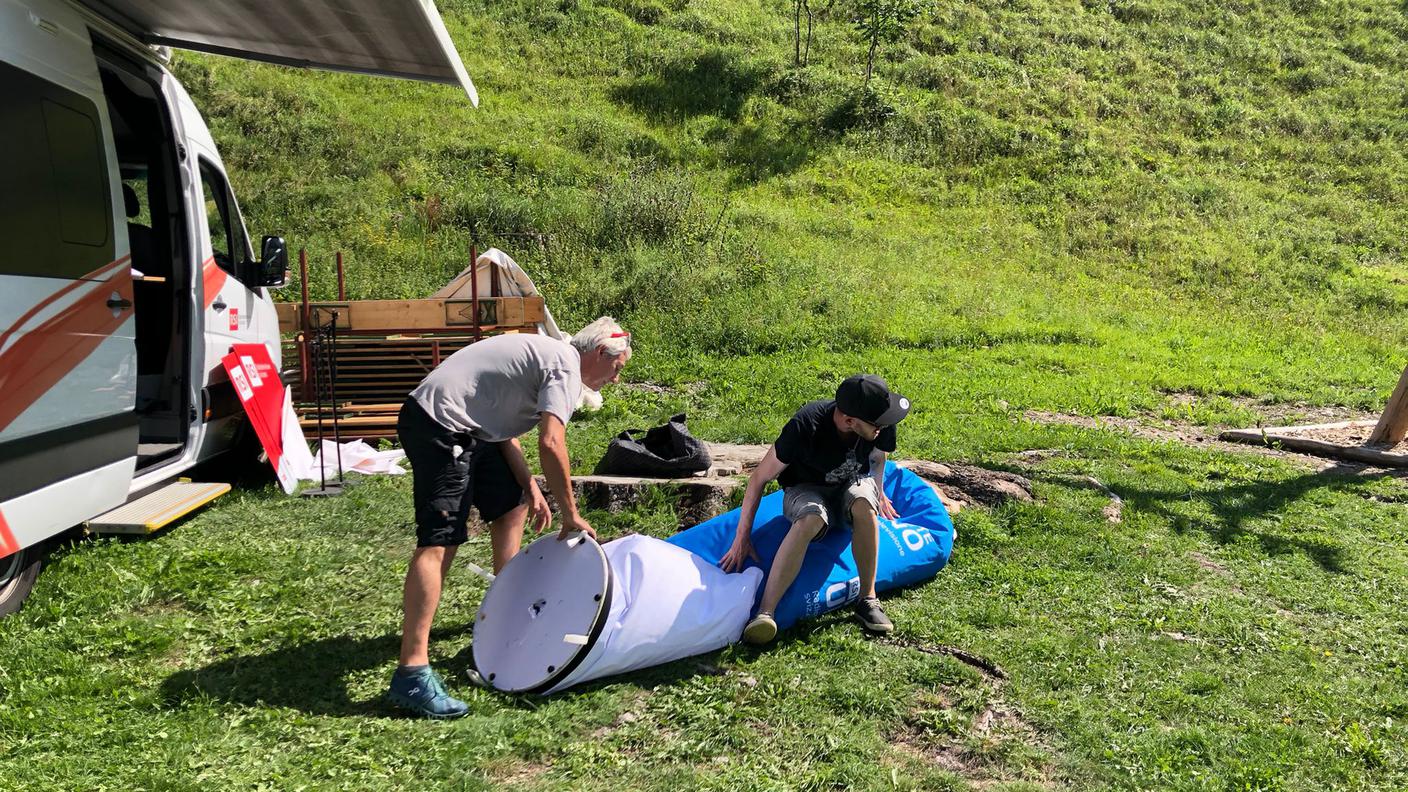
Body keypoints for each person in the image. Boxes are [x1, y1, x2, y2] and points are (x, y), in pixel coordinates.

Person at [387, 318, 631, 718]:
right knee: (440, 542)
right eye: (617, 368)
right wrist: (571, 515)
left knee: (513, 506)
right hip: (439, 424)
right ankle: (411, 671)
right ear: (599, 354)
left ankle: (504, 612)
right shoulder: (564, 365)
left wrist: (531, 486)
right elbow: (551, 442)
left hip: (474, 430)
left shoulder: (547, 356)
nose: (616, 379)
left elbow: (503, 431)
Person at [720, 374, 911, 644]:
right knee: (811, 519)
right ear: (849, 421)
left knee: (865, 506)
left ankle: (867, 600)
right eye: (877, 425)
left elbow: (878, 456)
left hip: (850, 482)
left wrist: (879, 493)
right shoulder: (805, 425)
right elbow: (759, 478)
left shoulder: (878, 417)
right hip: (805, 488)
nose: (884, 427)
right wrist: (742, 537)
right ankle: (765, 614)